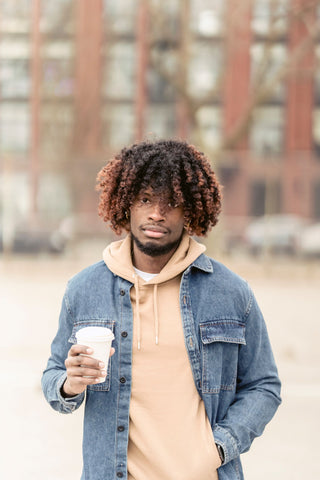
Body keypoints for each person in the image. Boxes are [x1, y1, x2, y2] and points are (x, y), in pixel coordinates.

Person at [42, 139, 281, 480]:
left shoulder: (230, 292)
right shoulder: (84, 289)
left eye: (172, 203)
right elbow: (53, 377)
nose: (157, 213)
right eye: (145, 199)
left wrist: (219, 448)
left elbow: (264, 385)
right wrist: (70, 384)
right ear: (126, 205)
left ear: (191, 212)